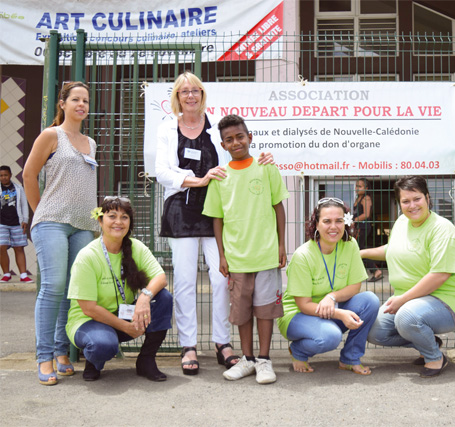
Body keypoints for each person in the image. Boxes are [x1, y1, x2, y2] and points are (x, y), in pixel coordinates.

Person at [155, 71, 273, 375]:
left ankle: (223, 342)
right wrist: (198, 180)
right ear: (177, 97)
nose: (190, 95)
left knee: (221, 279)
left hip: (216, 211)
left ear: (202, 95)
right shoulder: (167, 128)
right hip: (181, 209)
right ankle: (188, 345)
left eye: (195, 90)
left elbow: (236, 156)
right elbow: (162, 172)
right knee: (184, 281)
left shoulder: (214, 125)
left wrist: (263, 159)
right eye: (184, 91)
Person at [23, 81, 99, 386]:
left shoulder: (91, 142)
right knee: (53, 286)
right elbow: (29, 174)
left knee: (71, 290)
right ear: (63, 104)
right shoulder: (51, 135)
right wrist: (40, 211)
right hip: (52, 221)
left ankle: (61, 352)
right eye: (75, 99)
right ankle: (44, 357)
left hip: (83, 226)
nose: (81, 104)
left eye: (86, 101)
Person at [202, 114, 288, 384]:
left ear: (250, 137)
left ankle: (264, 360)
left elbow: (278, 207)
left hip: (265, 254)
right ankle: (247, 359)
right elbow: (217, 219)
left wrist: (281, 244)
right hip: (237, 258)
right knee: (241, 312)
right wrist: (222, 255)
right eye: (229, 139)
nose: (236, 142)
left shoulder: (266, 168)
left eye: (240, 136)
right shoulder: (220, 176)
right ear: (223, 145)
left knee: (265, 310)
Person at [363, 176, 455, 378]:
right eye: (405, 201)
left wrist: (403, 299)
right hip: (409, 301)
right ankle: (429, 342)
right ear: (399, 203)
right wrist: (360, 253)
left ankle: (435, 358)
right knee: (374, 332)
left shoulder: (442, 229)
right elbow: (392, 249)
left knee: (407, 317)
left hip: (447, 301)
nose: (412, 205)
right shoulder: (401, 222)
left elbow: (439, 275)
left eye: (417, 199)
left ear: (427, 198)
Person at [66, 197, 173, 382]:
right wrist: (125, 327)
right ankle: (94, 361)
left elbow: (160, 278)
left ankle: (146, 360)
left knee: (163, 298)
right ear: (100, 221)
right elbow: (89, 309)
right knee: (102, 345)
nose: (118, 222)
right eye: (112, 216)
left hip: (125, 314)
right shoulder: (87, 256)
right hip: (89, 321)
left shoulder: (136, 247)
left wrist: (144, 297)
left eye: (124, 217)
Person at [277, 198, 379, 375]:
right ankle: (298, 351)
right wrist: (339, 313)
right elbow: (303, 304)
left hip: (331, 306)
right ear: (316, 224)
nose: (334, 227)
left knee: (370, 300)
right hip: (298, 314)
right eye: (327, 221)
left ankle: (350, 358)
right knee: (330, 336)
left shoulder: (350, 245)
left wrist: (331, 297)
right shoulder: (303, 255)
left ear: (345, 222)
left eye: (339, 221)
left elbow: (355, 286)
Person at [0, 165, 33, 283]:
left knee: (19, 248)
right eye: (1, 175)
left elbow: (24, 204)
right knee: (1, 247)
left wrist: (25, 220)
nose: (3, 177)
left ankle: (23, 275)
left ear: (10, 175)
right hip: (1, 223)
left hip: (17, 223)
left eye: (5, 175)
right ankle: (6, 274)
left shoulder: (18, 188)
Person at [353, 178, 382, 282]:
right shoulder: (358, 198)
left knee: (358, 249)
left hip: (363, 226)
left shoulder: (366, 198)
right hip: (359, 227)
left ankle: (375, 270)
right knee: (359, 249)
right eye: (356, 186)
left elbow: (366, 214)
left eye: (359, 186)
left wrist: (354, 220)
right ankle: (373, 271)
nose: (357, 188)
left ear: (366, 188)